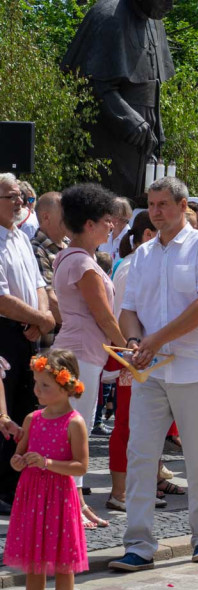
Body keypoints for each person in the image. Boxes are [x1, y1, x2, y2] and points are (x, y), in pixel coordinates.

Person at [110, 176, 198, 571]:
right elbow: (128, 309)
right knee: (140, 455)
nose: (155, 211)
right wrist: (132, 341)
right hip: (152, 370)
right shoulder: (143, 254)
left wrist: (154, 340)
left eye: (162, 204)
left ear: (182, 206)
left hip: (196, 367)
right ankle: (139, 543)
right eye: (152, 204)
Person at [53, 184, 130, 528]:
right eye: (105, 220)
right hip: (81, 352)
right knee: (75, 432)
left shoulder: (70, 257)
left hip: (78, 350)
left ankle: (76, 505)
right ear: (88, 223)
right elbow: (104, 316)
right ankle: (72, 506)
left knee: (74, 430)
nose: (111, 226)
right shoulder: (83, 263)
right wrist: (127, 348)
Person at [1, 350, 89, 590]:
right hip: (32, 497)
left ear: (67, 387)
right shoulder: (32, 419)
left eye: (45, 385)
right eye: (36, 383)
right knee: (34, 563)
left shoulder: (74, 423)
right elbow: (19, 453)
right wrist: (19, 461)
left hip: (59, 498)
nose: (37, 390)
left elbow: (81, 466)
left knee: (63, 563)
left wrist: (48, 463)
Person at [0, 174, 55, 515]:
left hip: (26, 332)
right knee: (2, 413)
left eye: (22, 196)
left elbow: (38, 285)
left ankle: (13, 483)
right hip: (3, 331)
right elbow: (2, 298)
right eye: (12, 196)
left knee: (23, 407)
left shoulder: (20, 236)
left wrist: (41, 317)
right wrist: (41, 318)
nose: (21, 202)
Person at [107, 212, 162, 512]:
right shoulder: (132, 266)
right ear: (147, 235)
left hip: (146, 355)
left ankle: (138, 487)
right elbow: (124, 314)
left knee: (144, 425)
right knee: (127, 425)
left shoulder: (143, 264)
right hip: (132, 355)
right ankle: (120, 490)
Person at [30, 192, 67, 342]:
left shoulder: (71, 245)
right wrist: (82, 324)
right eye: (64, 213)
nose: (70, 217)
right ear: (46, 217)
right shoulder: (36, 249)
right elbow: (50, 301)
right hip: (51, 345)